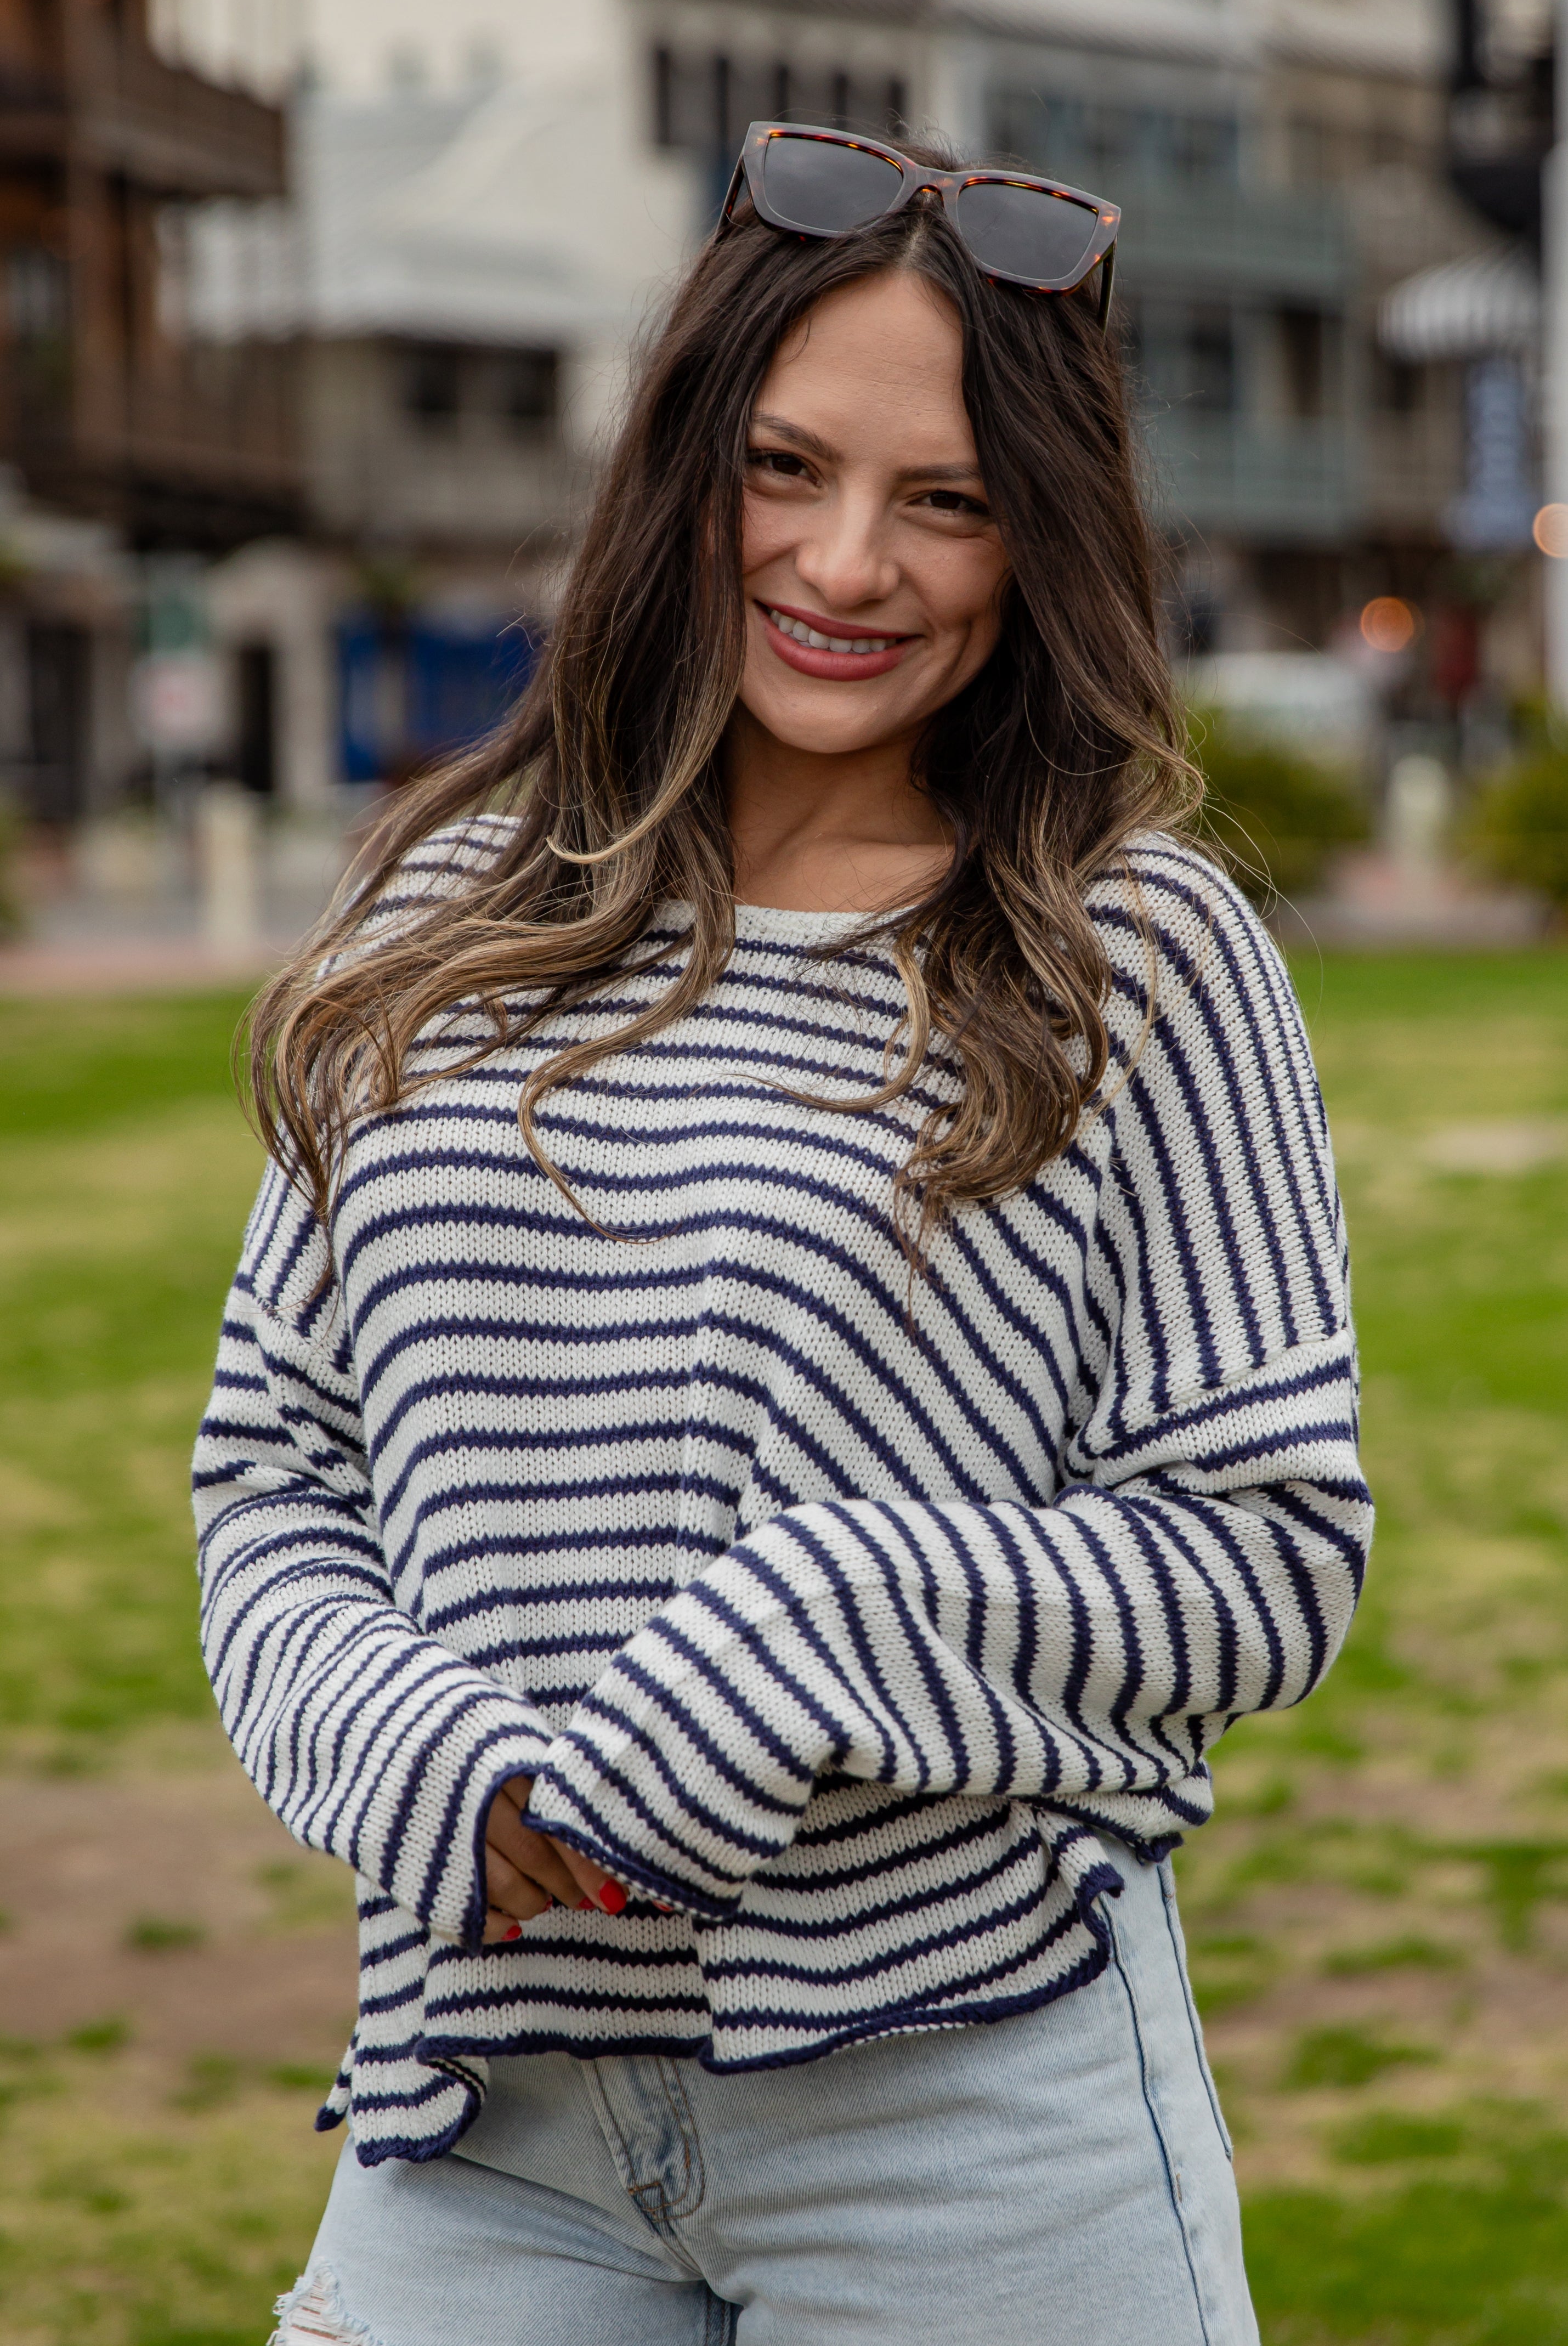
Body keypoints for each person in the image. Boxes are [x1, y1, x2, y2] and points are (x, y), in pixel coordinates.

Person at [195, 123, 1371, 2346]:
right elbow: (274, 1478)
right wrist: (428, 1756)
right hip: (482, 2110)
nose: (848, 561)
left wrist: (811, 1617)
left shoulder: (1134, 949)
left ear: (1043, 540)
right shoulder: (435, 915)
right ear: (680, 469)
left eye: (945, 498)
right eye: (784, 466)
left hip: (967, 2109)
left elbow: (1264, 1555)